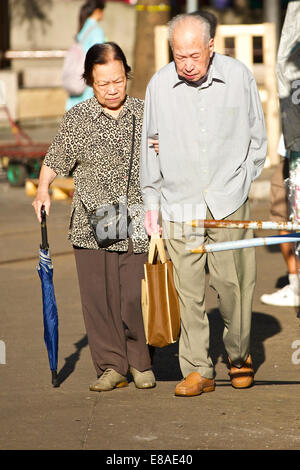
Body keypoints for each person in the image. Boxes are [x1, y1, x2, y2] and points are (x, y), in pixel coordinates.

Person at [140, 13, 267, 397]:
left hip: (228, 200)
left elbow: (257, 140)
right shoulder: (159, 85)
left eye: (195, 55)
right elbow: (149, 146)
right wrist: (151, 201)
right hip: (179, 202)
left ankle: (239, 356)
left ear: (211, 47)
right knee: (188, 292)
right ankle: (198, 369)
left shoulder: (239, 76)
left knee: (234, 287)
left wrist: (241, 181)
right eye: (180, 56)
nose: (187, 64)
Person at [33, 42, 155, 392]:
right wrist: (43, 190)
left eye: (118, 80)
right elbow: (56, 158)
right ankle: (111, 365)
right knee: (98, 299)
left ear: (127, 75)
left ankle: (140, 360)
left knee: (134, 295)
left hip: (135, 220)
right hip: (92, 222)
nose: (113, 89)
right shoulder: (79, 117)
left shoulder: (145, 113)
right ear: (89, 81)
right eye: (104, 83)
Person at [260, 135, 300, 307]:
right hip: (290, 150)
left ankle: (296, 287)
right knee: (282, 216)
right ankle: (296, 286)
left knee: (286, 217)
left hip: (294, 152)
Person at [66, 0, 106, 111]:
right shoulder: (96, 31)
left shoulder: (83, 28)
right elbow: (98, 56)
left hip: (78, 77)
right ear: (97, 11)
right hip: (89, 80)